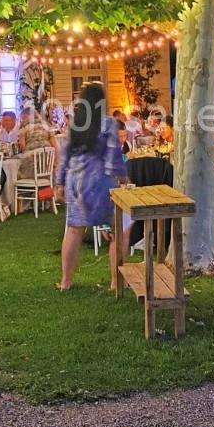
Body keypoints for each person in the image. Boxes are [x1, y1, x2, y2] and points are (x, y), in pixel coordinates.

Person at [56, 83, 127, 290]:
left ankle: (66, 281)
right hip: (98, 182)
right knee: (118, 230)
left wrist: (60, 182)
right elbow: (114, 158)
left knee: (74, 230)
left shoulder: (75, 125)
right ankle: (116, 281)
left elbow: (65, 156)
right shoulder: (108, 124)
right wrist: (124, 180)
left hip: (75, 182)